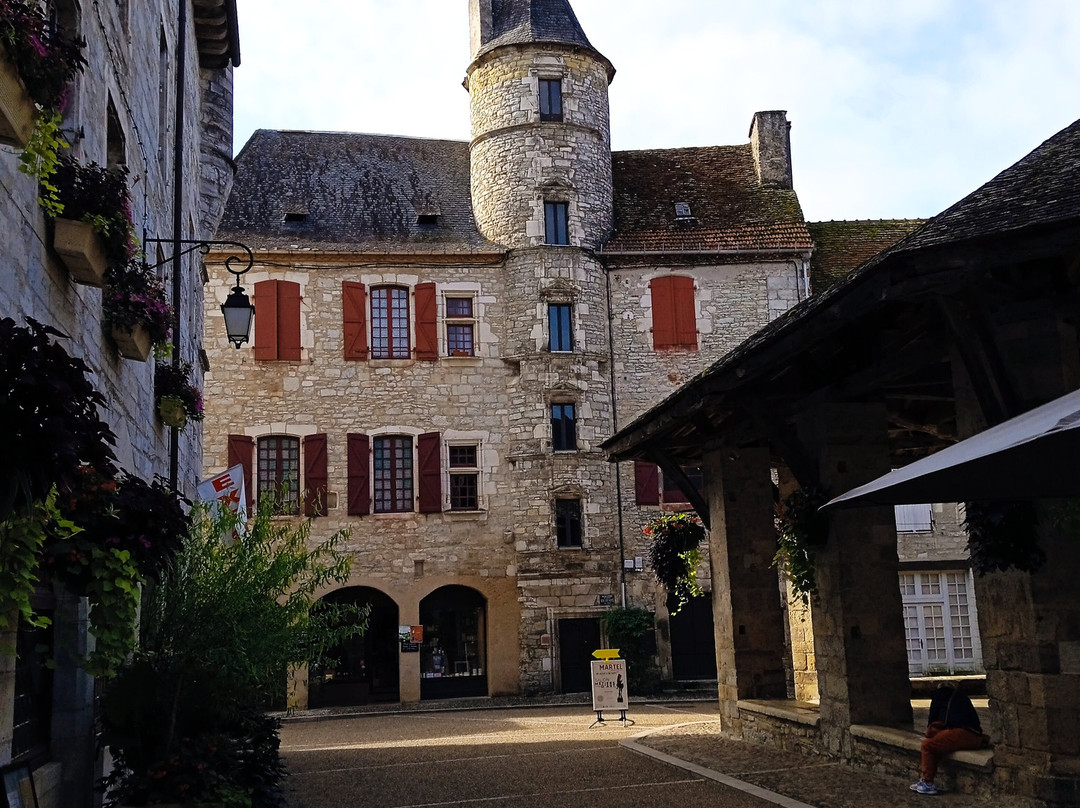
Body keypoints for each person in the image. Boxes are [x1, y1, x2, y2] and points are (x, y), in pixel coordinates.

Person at [910, 686, 987, 795]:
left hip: (963, 733)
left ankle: (928, 782)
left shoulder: (939, 698)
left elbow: (934, 723)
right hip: (975, 734)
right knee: (938, 740)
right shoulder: (960, 696)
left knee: (927, 745)